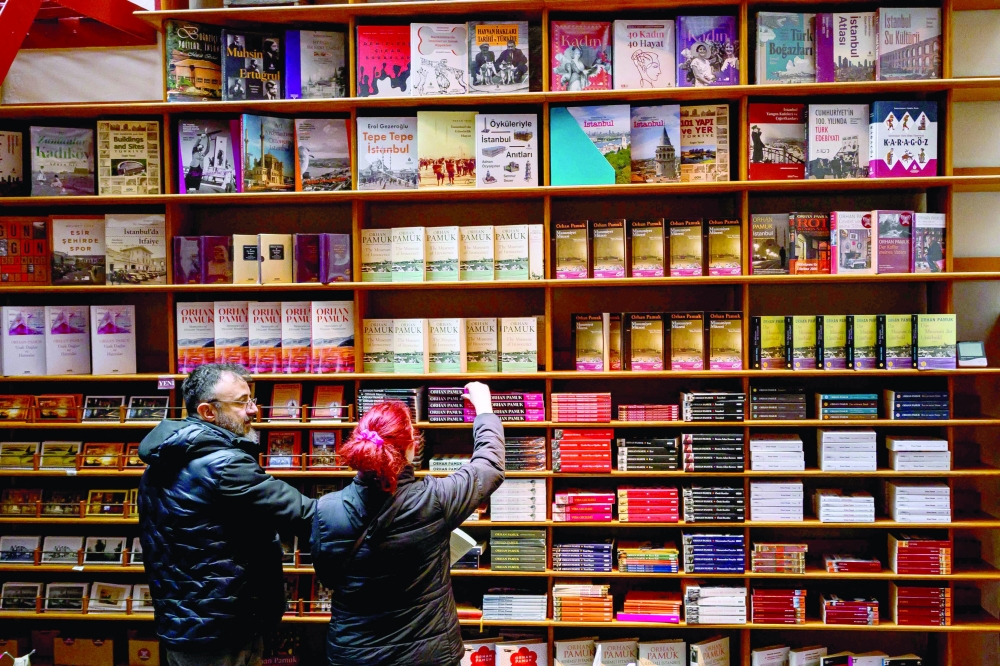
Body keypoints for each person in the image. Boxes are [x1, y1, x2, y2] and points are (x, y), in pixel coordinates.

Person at [311, 382, 504, 666]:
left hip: (355, 654)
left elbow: (328, 576)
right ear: (412, 448)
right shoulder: (434, 500)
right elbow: (489, 466)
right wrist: (484, 409)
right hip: (427, 654)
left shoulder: (326, 510)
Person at [138, 363, 315, 666]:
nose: (253, 410)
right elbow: (302, 513)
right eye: (241, 402)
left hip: (185, 626)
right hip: (222, 632)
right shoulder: (225, 466)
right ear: (208, 412)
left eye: (252, 399)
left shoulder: (160, 461)